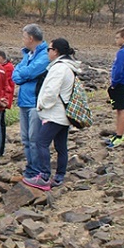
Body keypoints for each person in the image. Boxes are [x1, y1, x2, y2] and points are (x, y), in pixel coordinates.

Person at [23, 38, 81, 190]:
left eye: (49, 49)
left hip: (55, 114)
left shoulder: (59, 68)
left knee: (41, 142)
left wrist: (41, 106)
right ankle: (59, 176)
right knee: (61, 146)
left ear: (56, 51)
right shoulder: (68, 67)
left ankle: (44, 177)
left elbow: (51, 91)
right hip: (64, 114)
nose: (47, 52)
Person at [12, 24, 49, 179]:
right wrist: (24, 74)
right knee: (26, 139)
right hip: (24, 102)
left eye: (24, 36)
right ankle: (30, 168)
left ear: (31, 38)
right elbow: (16, 74)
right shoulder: (28, 55)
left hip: (35, 102)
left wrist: (23, 74)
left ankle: (37, 170)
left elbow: (30, 71)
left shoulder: (45, 55)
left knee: (35, 139)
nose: (23, 39)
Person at [0, 50, 15, 157]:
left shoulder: (7, 68)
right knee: (0, 125)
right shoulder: (7, 67)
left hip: (2, 100)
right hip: (4, 99)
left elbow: (4, 85)